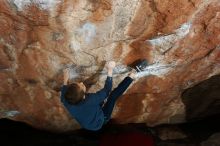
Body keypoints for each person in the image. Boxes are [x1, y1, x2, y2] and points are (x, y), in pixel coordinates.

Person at [60, 61, 136, 131]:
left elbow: (64, 88)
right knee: (112, 97)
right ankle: (131, 77)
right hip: (99, 121)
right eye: (82, 86)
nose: (81, 83)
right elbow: (107, 90)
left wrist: (65, 77)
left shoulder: (66, 99)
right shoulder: (90, 100)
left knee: (100, 100)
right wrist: (110, 69)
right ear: (84, 97)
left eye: (78, 84)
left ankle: (97, 107)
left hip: (87, 122)